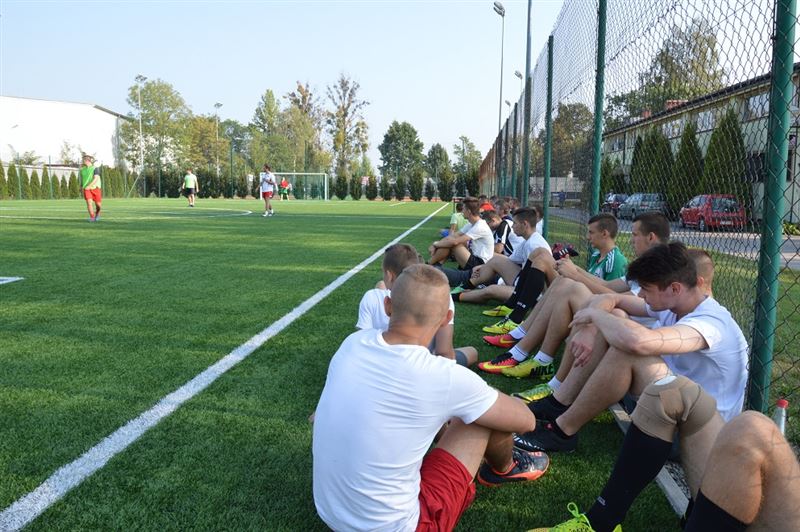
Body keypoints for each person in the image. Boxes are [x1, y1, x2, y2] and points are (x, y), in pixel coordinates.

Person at [312, 265, 548, 531]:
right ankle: (506, 467)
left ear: (387, 306)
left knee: (469, 408)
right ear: (447, 317)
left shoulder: (352, 344)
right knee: (481, 416)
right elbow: (525, 421)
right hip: (400, 526)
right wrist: (486, 397)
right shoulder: (442, 376)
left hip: (330, 512)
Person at [514, 242, 749, 453]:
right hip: (666, 407)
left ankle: (562, 432)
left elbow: (638, 342)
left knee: (627, 348)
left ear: (675, 288)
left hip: (698, 436)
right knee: (616, 318)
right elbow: (611, 299)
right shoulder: (675, 304)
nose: (641, 295)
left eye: (646, 289)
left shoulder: (711, 323)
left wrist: (595, 317)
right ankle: (558, 404)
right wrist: (591, 327)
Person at [532, 377, 800, 532]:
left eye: (649, 295)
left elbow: (637, 341)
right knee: (671, 391)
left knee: (752, 431)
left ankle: (558, 428)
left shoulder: (711, 319)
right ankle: (600, 523)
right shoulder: (667, 312)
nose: (645, 299)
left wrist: (600, 313)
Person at [479, 213, 628, 377]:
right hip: (582, 300)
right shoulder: (596, 255)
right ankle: (517, 330)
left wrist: (574, 274)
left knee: (554, 273)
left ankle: (520, 337)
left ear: (605, 233)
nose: (587, 237)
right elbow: (603, 285)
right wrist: (572, 268)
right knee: (543, 258)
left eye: (591, 232)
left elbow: (608, 297)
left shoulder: (616, 261)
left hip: (595, 311)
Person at [357, 243, 477, 367]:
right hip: (425, 364)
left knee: (380, 285)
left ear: (388, 306)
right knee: (472, 352)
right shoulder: (441, 297)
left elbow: (362, 342)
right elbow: (444, 352)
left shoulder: (372, 297)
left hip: (381, 363)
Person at [429, 197, 494, 270]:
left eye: (463, 209)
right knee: (451, 241)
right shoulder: (471, 224)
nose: (462, 212)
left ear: (469, 211)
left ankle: (429, 264)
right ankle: (435, 266)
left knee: (454, 244)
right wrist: (437, 244)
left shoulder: (480, 226)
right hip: (474, 258)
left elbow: (455, 242)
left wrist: (435, 244)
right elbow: (453, 236)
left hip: (481, 264)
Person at [79, 154, 102, 222]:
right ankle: (92, 217)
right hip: (86, 189)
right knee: (89, 202)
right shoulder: (82, 170)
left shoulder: (95, 168)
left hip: (96, 188)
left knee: (98, 204)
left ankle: (98, 215)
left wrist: (89, 186)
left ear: (87, 160)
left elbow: (96, 178)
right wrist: (81, 186)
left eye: (83, 160)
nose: (82, 161)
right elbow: (82, 180)